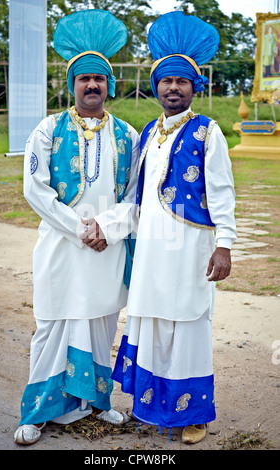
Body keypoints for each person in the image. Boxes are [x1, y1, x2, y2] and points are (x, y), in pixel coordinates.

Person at [14, 10, 139, 445]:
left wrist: (106, 227)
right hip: (62, 248)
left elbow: (133, 199)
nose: (92, 85)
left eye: (99, 79)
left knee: (103, 322)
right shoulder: (47, 130)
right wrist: (79, 229)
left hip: (107, 248)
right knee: (51, 326)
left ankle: (97, 403)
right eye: (84, 78)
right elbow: (36, 190)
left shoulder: (128, 134)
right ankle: (36, 412)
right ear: (72, 85)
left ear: (109, 85)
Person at [112, 11, 237, 445]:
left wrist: (224, 245)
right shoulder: (148, 132)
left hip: (190, 247)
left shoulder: (208, 132)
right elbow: (135, 196)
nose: (173, 87)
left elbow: (222, 192)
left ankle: (194, 415)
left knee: (188, 323)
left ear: (193, 88)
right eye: (166, 81)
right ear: (156, 87)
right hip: (150, 249)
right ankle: (151, 407)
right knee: (151, 320)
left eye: (182, 81)